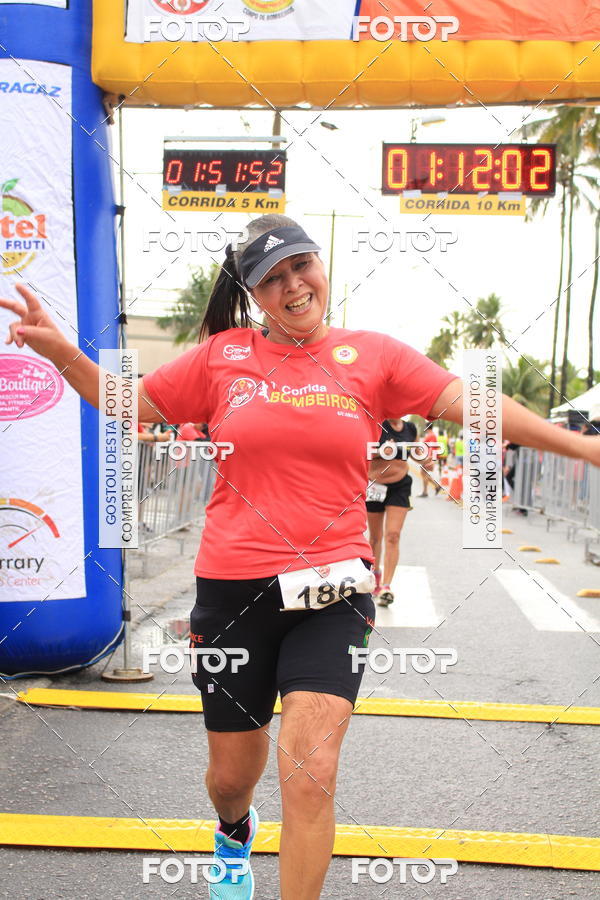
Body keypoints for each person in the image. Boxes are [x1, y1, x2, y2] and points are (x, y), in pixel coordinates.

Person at [3, 213, 600, 900]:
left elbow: (471, 401)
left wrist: (580, 445)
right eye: (273, 278)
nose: (294, 285)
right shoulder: (221, 358)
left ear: (321, 266)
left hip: (335, 592)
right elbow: (129, 402)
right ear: (255, 296)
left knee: (310, 769)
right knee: (232, 777)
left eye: (301, 266)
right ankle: (233, 832)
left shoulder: (373, 356)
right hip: (234, 594)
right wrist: (62, 354)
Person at [366, 417, 417, 606]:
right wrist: (381, 451)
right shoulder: (375, 424)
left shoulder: (410, 428)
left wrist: (426, 460)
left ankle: (387, 586)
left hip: (400, 485)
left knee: (393, 535)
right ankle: (375, 578)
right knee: (375, 537)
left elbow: (414, 452)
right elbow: (359, 449)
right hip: (375, 485)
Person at [417, 422, 439, 497]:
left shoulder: (431, 436)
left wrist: (430, 459)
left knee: (423, 473)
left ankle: (425, 492)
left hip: (428, 458)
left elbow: (432, 448)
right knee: (424, 473)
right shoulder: (431, 435)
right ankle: (436, 486)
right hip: (428, 457)